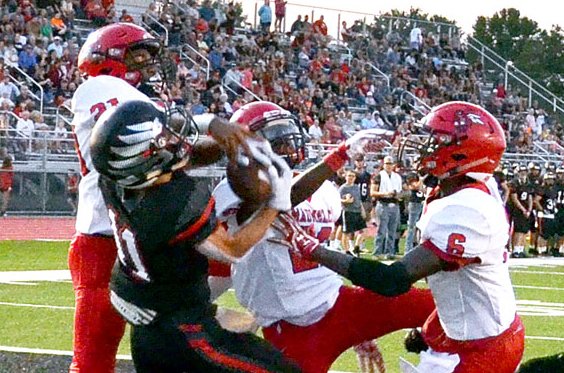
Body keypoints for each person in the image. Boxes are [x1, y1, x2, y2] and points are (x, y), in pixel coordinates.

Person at [285, 101, 525, 373]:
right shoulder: (457, 189)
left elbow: (392, 281)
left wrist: (311, 249)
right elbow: (457, 280)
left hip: (485, 348)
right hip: (466, 331)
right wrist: (432, 328)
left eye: (435, 141)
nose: (424, 147)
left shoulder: (468, 209)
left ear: (460, 153)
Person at [212, 101, 435, 373]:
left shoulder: (326, 189)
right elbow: (281, 198)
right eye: (275, 137)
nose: (285, 145)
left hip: (339, 303)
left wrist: (360, 330)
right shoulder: (234, 188)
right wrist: (340, 155)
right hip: (292, 329)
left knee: (443, 307)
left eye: (286, 133)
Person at [90, 99, 301, 373]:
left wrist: (219, 133)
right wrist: (276, 201)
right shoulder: (172, 204)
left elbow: (183, 156)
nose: (173, 136)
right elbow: (233, 249)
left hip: (150, 320)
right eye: (163, 136)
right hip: (182, 334)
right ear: (148, 157)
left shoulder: (116, 179)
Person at [68, 23, 175, 373]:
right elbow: (143, 150)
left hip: (141, 235)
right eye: (139, 55)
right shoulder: (97, 88)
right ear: (110, 58)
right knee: (93, 361)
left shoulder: (139, 100)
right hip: (103, 238)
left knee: (181, 340)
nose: (146, 65)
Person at [370, 155, 403, 258]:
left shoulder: (397, 177)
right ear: (383, 165)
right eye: (387, 164)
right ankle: (377, 252)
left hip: (395, 203)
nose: (388, 166)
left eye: (390, 164)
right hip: (383, 203)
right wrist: (385, 193)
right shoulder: (379, 176)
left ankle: (389, 252)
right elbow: (372, 192)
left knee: (392, 230)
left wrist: (398, 195)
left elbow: (401, 191)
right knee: (382, 229)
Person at [404, 171, 424, 253]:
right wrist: (422, 179)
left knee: (421, 227)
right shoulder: (412, 175)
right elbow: (415, 186)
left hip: (422, 202)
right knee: (412, 227)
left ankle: (419, 248)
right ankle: (408, 249)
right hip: (414, 203)